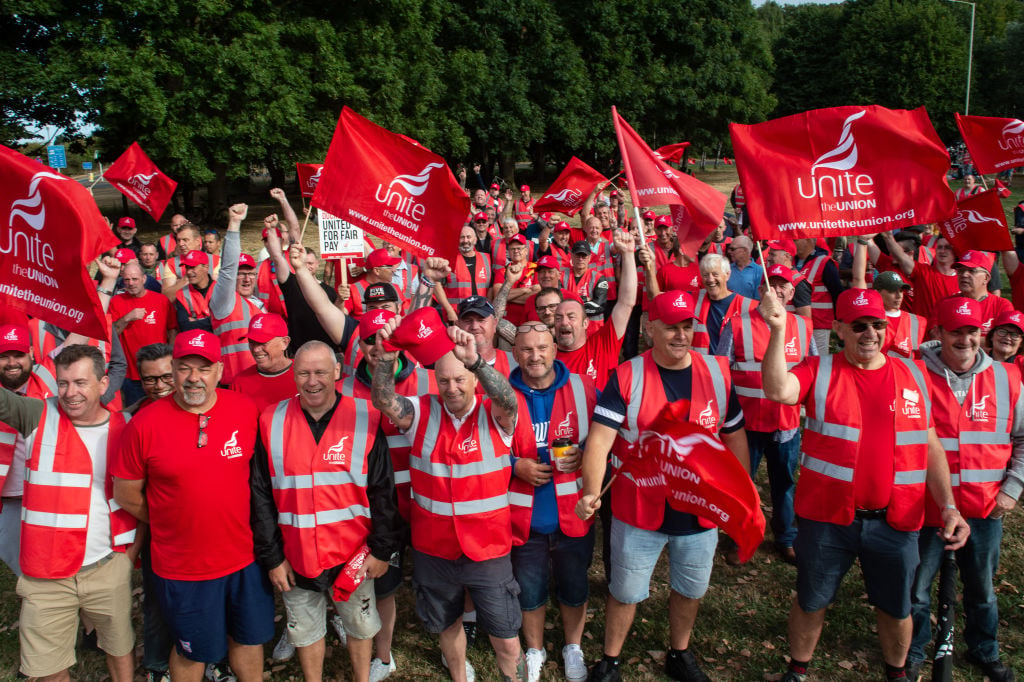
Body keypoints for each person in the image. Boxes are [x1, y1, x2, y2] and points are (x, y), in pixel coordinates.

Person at [758, 286, 970, 682]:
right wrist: (776, 331)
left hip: (897, 520)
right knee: (811, 599)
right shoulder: (819, 370)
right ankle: (798, 670)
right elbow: (777, 390)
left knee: (897, 607)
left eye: (877, 324)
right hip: (827, 519)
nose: (869, 333)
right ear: (838, 328)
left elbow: (929, 444)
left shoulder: (913, 374)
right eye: (858, 326)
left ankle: (897, 673)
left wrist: (948, 506)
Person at [575, 291, 750, 682]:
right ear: (649, 327)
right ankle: (611, 660)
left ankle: (680, 653)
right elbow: (601, 439)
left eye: (687, 326)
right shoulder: (627, 375)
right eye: (672, 326)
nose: (681, 335)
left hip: (699, 510)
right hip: (640, 506)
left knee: (690, 587)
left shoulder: (718, 374)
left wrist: (742, 492)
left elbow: (735, 435)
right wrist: (590, 490)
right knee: (625, 590)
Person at [370, 311, 525, 682]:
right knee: (447, 624)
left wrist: (474, 359)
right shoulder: (422, 412)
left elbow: (508, 397)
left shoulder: (497, 414)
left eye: (460, 379)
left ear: (474, 379)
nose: (452, 388)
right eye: (443, 381)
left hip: (488, 549)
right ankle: (458, 675)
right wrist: (387, 355)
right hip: (434, 548)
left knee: (505, 636)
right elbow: (383, 400)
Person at [113, 330, 274, 682]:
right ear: (173, 370)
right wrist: (171, 517)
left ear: (219, 370)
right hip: (184, 568)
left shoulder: (245, 411)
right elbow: (125, 493)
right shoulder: (144, 424)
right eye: (185, 368)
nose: (194, 378)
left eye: (203, 369)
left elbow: (260, 480)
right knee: (191, 651)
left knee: (246, 640)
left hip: (244, 559)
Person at [250, 340, 403, 682]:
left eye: (320, 372)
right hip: (296, 554)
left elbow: (382, 491)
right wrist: (272, 557)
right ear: (293, 373)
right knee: (305, 630)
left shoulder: (365, 416)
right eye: (303, 372)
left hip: (355, 555)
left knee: (361, 626)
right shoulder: (271, 420)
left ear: (337, 372)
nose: (312, 381)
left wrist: (381, 550)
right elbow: (260, 495)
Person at [0, 344, 139, 682]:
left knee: (119, 649)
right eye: (62, 383)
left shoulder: (128, 427)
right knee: (46, 668)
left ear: (103, 384)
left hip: (107, 566)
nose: (70, 393)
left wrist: (126, 560)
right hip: (44, 574)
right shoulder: (36, 415)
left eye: (80, 383)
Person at [906, 297, 1024, 682]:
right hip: (927, 508)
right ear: (938, 332)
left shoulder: (1008, 378)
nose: (965, 339)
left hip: (985, 508)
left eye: (972, 331)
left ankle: (984, 649)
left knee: (983, 589)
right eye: (956, 330)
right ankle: (916, 650)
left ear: (982, 334)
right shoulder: (913, 373)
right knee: (918, 590)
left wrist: (1013, 489)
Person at [507, 322, 598, 682]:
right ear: (515, 353)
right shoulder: (501, 394)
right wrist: (515, 465)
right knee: (530, 591)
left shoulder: (583, 388)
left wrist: (587, 452)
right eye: (527, 349)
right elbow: (480, 450)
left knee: (574, 584)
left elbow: (606, 438)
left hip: (574, 513)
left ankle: (572, 646)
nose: (535, 356)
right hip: (523, 516)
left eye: (542, 348)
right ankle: (535, 649)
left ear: (555, 349)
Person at [717, 265, 815, 564]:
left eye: (784, 285)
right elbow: (720, 372)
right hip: (746, 424)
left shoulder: (802, 326)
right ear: (760, 291)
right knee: (742, 483)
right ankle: (740, 537)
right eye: (772, 285)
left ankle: (785, 537)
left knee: (784, 483)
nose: (779, 290)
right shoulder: (737, 324)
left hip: (785, 423)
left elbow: (812, 371)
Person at [0, 324, 57, 577]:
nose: (12, 363)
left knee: (54, 558)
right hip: (9, 498)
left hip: (49, 491)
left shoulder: (48, 374)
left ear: (32, 354)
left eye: (18, 355)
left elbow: (80, 332)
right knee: (14, 555)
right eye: (4, 356)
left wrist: (108, 283)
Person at [556, 229, 638, 390]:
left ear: (584, 322)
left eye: (571, 316)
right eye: (558, 317)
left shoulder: (601, 346)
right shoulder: (543, 354)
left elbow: (626, 303)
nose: (565, 322)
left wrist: (628, 254)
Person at [209, 203, 265, 385]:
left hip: (261, 381)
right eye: (241, 274)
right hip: (234, 383)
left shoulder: (259, 305)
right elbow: (227, 269)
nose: (246, 279)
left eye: (250, 274)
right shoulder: (224, 301)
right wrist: (234, 224)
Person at [109, 262, 177, 405]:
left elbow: (173, 330)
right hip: (132, 374)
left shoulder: (161, 301)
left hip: (160, 374)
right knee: (137, 412)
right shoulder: (116, 302)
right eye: (127, 280)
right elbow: (111, 334)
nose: (131, 283)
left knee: (165, 408)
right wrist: (127, 318)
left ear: (144, 279)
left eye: (135, 279)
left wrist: (171, 359)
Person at [850, 240, 925, 358]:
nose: (899, 296)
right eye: (891, 291)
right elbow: (858, 278)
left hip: (904, 375)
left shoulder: (917, 322)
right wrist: (861, 242)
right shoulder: (869, 315)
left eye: (901, 290)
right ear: (877, 293)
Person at [691, 254, 757, 355]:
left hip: (730, 368)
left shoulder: (749, 306)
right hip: (702, 367)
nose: (710, 279)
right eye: (705, 275)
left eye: (715, 274)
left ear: (727, 275)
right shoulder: (694, 298)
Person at [228, 313, 295, 411]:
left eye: (262, 342)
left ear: (284, 343)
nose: (256, 349)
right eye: (251, 342)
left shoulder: (306, 374)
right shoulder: (240, 383)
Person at [793, 238, 843, 355]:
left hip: (818, 325)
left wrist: (841, 323)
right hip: (795, 323)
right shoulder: (792, 261)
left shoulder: (825, 263)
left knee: (818, 361)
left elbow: (838, 294)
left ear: (809, 241)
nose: (792, 243)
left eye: (795, 240)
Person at [438, 225, 493, 323]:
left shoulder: (487, 259)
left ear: (475, 240)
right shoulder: (448, 260)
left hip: (480, 315)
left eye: (468, 237)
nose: (465, 240)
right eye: (462, 237)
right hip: (457, 316)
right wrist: (449, 310)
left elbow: (491, 287)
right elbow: (436, 286)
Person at [174, 250, 216, 333]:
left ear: (206, 267)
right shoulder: (181, 294)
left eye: (192, 267)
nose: (189, 272)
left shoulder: (221, 289)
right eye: (187, 267)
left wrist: (196, 321)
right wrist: (210, 320)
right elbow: (184, 327)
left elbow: (225, 321)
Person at [725, 236, 763, 300]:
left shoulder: (759, 272)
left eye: (732, 249)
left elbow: (757, 301)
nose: (729, 251)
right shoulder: (726, 269)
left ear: (744, 251)